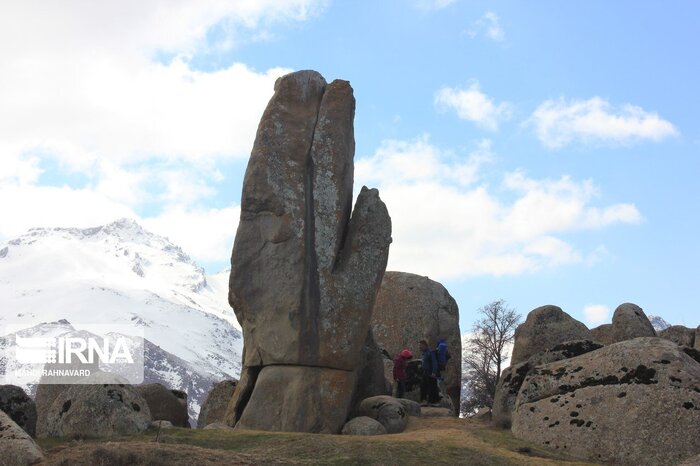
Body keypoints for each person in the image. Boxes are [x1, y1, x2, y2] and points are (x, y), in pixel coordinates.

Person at [418, 339, 440, 406]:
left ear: (424, 345)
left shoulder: (431, 352)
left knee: (432, 387)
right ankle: (425, 401)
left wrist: (434, 372)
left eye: (420, 345)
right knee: (423, 386)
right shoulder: (424, 353)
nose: (419, 347)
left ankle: (434, 402)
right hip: (425, 372)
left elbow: (434, 363)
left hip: (431, 372)